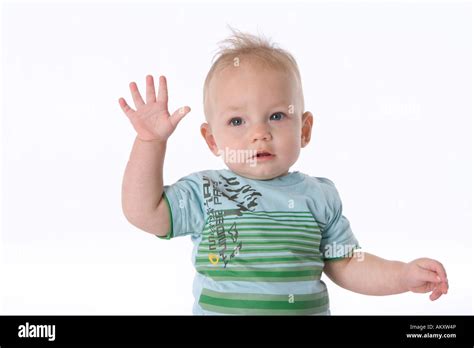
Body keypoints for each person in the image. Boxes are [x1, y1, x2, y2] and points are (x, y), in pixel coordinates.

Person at [120, 29, 448, 315]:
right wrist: (150, 143)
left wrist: (402, 275)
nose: (259, 132)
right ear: (211, 139)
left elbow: (347, 264)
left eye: (277, 115)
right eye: (237, 121)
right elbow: (144, 211)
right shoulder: (206, 191)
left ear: (304, 129)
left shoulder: (319, 197)